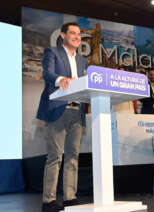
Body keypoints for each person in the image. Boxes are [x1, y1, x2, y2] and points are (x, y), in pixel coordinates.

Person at [36, 23, 88, 212]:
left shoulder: (83, 61)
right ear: (63, 35)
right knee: (55, 157)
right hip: (58, 110)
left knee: (73, 157)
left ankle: (69, 198)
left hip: (77, 111)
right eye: (73, 33)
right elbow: (48, 74)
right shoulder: (52, 52)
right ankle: (48, 200)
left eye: (79, 34)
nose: (77, 36)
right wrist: (61, 80)